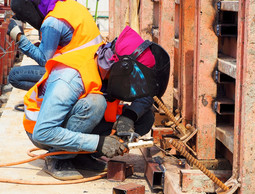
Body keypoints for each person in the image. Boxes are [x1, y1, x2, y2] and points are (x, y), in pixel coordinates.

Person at [7, 0, 169, 181]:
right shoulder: (70, 78)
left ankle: (81, 155)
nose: (134, 87)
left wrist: (128, 117)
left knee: (144, 116)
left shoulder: (108, 68)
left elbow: (145, 96)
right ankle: (58, 158)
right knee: (96, 103)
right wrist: (98, 143)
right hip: (42, 128)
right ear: (122, 69)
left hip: (70, 117)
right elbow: (43, 132)